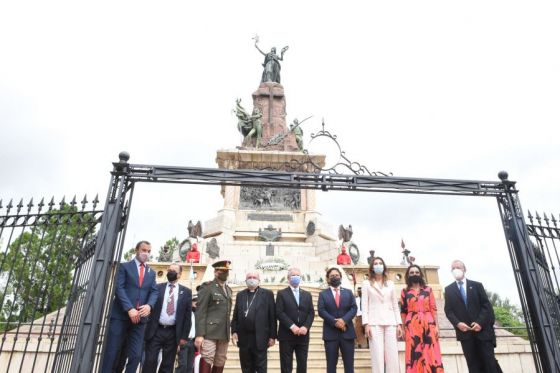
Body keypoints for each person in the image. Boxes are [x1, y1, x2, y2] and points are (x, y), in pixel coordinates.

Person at [101, 241, 159, 373]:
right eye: (144, 250)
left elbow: (154, 291)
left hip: (140, 320)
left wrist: (149, 306)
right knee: (112, 353)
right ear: (137, 250)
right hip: (120, 317)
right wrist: (129, 308)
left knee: (136, 355)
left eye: (149, 251)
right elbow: (118, 288)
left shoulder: (151, 273)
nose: (146, 253)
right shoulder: (124, 267)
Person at [444, 260, 498, 373]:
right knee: (473, 366)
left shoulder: (476, 285)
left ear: (464, 269)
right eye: (453, 268)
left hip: (482, 333)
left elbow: (486, 306)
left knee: (490, 365)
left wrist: (480, 322)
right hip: (466, 335)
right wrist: (458, 323)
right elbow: (448, 311)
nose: (456, 270)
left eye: (458, 267)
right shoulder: (448, 290)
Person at [143, 263, 192, 373]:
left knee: (168, 364)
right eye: (169, 270)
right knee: (150, 361)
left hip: (173, 333)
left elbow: (187, 316)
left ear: (179, 274)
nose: (171, 272)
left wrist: (184, 337)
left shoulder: (186, 292)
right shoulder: (157, 288)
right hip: (156, 330)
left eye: (174, 271)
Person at [361, 257, 402, 373]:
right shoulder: (366, 284)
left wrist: (399, 324)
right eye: (376, 263)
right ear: (372, 267)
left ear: (384, 266)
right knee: (377, 356)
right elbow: (364, 305)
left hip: (391, 323)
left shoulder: (391, 284)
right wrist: (366, 324)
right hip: (374, 323)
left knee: (392, 355)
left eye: (380, 263)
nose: (378, 265)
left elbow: (395, 305)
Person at [400, 265, 444, 373]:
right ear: (408, 275)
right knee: (414, 353)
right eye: (411, 273)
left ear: (420, 274)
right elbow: (403, 311)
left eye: (416, 272)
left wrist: (437, 327)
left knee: (431, 352)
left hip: (428, 324)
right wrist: (403, 328)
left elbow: (433, 309)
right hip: (412, 326)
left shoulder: (428, 290)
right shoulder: (404, 292)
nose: (414, 274)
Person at [231, 271, 277, 373]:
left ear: (259, 280)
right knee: (246, 368)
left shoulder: (267, 294)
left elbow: (272, 317)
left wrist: (272, 336)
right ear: (246, 280)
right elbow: (235, 316)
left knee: (261, 368)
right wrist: (234, 331)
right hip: (244, 338)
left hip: (260, 338)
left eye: (254, 277)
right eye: (249, 277)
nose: (252, 279)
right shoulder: (240, 295)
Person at [194, 260, 233, 373]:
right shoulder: (207, 287)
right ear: (216, 272)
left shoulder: (229, 290)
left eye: (227, 271)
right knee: (207, 358)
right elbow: (201, 311)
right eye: (223, 271)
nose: (225, 273)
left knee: (220, 360)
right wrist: (199, 335)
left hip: (224, 333)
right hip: (209, 332)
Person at [318, 266, 357, 373]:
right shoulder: (323, 294)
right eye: (332, 276)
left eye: (336, 275)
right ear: (328, 279)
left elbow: (354, 308)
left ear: (340, 277)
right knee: (331, 366)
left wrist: (343, 320)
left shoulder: (348, 292)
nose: (334, 277)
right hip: (330, 334)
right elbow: (321, 311)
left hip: (347, 333)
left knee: (349, 365)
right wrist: (335, 322)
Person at [275, 267, 315, 373]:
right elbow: (279, 312)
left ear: (300, 278)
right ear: (288, 278)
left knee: (302, 365)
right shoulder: (282, 293)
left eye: (297, 275)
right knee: (286, 365)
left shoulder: (307, 294)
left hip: (303, 335)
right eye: (293, 275)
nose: (295, 277)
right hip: (286, 335)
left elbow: (311, 313)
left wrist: (306, 327)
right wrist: (292, 326)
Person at [176, 293, 198, 373]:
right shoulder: (183, 313)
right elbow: (178, 328)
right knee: (182, 366)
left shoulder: (196, 314)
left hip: (192, 343)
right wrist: (177, 343)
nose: (196, 302)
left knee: (190, 367)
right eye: (194, 301)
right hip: (183, 341)